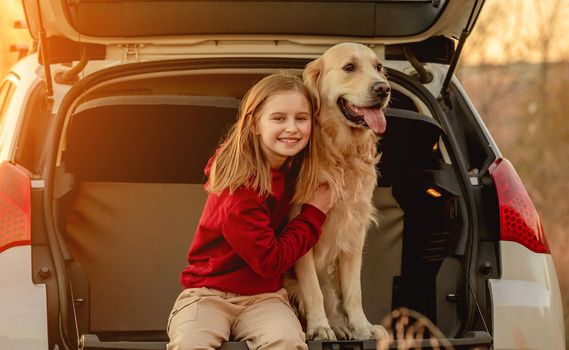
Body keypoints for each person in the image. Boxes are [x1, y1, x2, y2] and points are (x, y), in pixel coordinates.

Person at [166, 71, 334, 350]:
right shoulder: (239, 185)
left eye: (301, 119)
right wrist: (314, 213)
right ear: (254, 123)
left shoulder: (295, 169)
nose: (292, 128)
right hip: (208, 294)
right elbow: (268, 260)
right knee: (190, 344)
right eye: (278, 118)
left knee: (288, 342)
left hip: (265, 298)